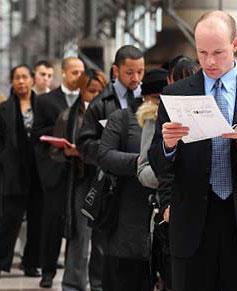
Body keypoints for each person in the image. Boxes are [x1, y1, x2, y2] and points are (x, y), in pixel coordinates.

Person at [149, 10, 237, 291]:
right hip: (193, 224)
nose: (210, 62)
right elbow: (158, 163)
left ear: (235, 45)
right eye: (202, 53)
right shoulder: (176, 95)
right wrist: (168, 145)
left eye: (218, 52)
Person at [77, 44, 145, 291]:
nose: (136, 78)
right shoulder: (101, 102)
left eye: (140, 72)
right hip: (107, 184)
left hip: (137, 185)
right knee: (102, 244)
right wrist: (110, 151)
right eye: (130, 72)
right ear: (116, 70)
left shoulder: (147, 101)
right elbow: (84, 143)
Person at [50, 69, 107, 291]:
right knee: (79, 236)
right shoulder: (67, 116)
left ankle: (99, 283)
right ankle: (74, 283)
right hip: (81, 180)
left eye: (99, 91)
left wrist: (85, 152)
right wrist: (67, 152)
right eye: (90, 91)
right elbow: (53, 152)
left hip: (104, 180)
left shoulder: (110, 112)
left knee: (102, 237)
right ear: (81, 90)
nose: (95, 96)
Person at [33, 56, 84, 288]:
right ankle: (48, 270)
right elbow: (37, 133)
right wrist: (57, 140)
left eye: (81, 72)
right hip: (56, 169)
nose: (78, 76)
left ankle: (76, 273)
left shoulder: (88, 98)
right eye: (74, 72)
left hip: (81, 170)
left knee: (79, 223)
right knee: (52, 221)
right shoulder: (46, 102)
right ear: (63, 73)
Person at [0, 65, 43, 277]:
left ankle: (31, 263)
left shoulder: (42, 105)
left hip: (39, 171)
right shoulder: (4, 109)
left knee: (37, 219)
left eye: (25, 77)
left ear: (32, 80)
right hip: (13, 171)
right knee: (9, 218)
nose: (21, 81)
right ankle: (2, 260)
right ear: (12, 81)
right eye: (17, 78)